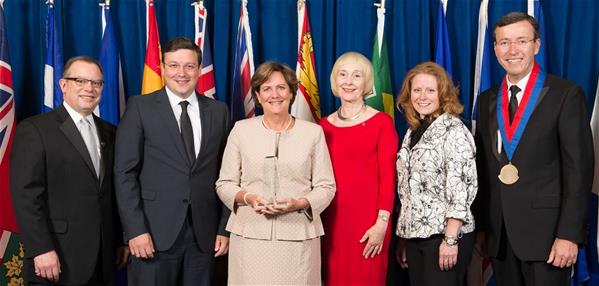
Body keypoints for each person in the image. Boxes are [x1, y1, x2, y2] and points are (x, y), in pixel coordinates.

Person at [474, 12, 594, 286]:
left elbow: (579, 170)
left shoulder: (566, 95)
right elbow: (483, 168)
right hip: (500, 235)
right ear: (494, 49)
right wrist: (482, 226)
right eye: (504, 42)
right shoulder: (486, 100)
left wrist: (569, 234)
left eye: (521, 41)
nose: (512, 50)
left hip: (549, 238)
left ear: (536, 45)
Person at [114, 37, 230, 286]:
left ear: (199, 70)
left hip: (204, 235)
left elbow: (228, 174)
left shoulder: (219, 111)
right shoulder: (140, 107)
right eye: (174, 65)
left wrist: (223, 228)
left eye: (189, 66)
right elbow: (124, 173)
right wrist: (134, 230)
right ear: (164, 68)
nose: (182, 73)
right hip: (153, 233)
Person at [10, 56, 128, 285]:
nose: (89, 88)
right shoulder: (35, 130)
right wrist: (40, 249)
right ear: (63, 85)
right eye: (80, 81)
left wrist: (119, 240)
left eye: (96, 83)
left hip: (102, 258)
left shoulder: (111, 133)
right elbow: (26, 196)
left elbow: (110, 193)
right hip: (56, 256)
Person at [216, 61, 336, 285]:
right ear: (258, 96)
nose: (275, 94)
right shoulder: (241, 130)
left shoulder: (313, 133)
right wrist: (248, 198)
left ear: (292, 92)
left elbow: (326, 187)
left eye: (281, 87)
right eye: (266, 88)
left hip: (298, 236)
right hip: (250, 234)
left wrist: (300, 202)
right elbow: (224, 183)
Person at [395, 61, 477, 286]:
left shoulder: (454, 130)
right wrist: (404, 235)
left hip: (445, 236)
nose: (423, 96)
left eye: (430, 90)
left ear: (443, 94)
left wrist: (450, 239)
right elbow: (407, 188)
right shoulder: (412, 131)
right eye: (417, 90)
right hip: (416, 235)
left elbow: (461, 189)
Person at [320, 51, 398, 285]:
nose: (349, 82)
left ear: (366, 83)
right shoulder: (322, 126)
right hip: (331, 223)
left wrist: (381, 224)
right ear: (335, 81)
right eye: (343, 75)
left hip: (369, 223)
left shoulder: (382, 123)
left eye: (356, 76)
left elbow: (388, 178)